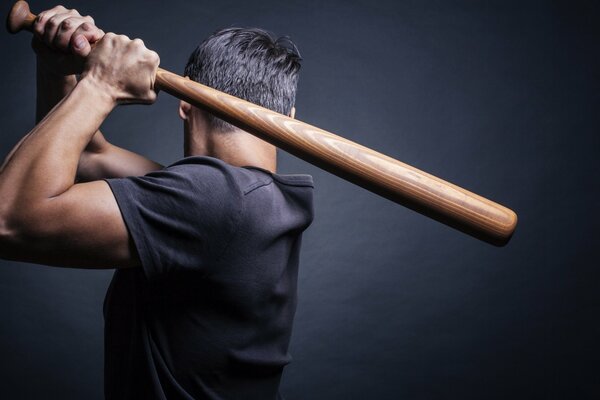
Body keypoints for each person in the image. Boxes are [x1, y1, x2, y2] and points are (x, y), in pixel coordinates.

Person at [0, 5, 313, 400]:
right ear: (290, 118)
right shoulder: (254, 201)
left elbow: (8, 218)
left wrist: (99, 86)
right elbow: (84, 158)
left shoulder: (212, 199)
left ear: (184, 102)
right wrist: (59, 71)